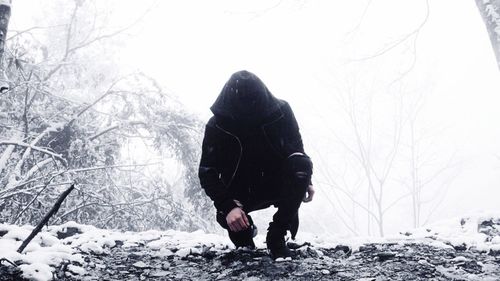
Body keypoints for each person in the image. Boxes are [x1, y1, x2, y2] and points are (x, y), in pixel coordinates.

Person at [198, 70, 314, 260]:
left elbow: (296, 149)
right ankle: (246, 230)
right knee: (242, 241)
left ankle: (276, 235)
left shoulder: (282, 112)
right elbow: (207, 172)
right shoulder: (216, 125)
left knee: (301, 165)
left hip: (276, 182)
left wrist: (304, 180)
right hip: (239, 191)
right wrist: (227, 206)